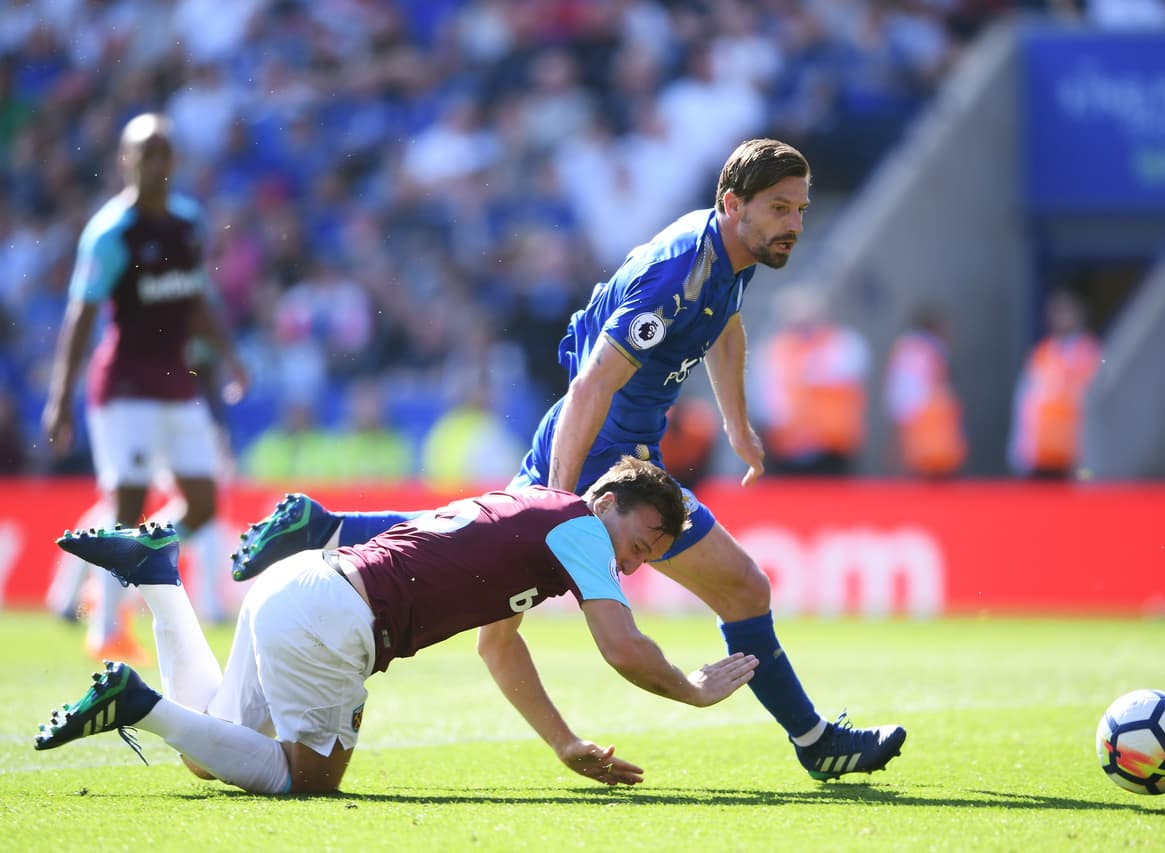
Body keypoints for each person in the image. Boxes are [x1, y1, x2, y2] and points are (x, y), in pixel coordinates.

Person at [231, 139, 906, 779]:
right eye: (781, 209)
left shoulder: (733, 257)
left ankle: (331, 527)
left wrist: (737, 425)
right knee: (745, 588)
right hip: (602, 458)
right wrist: (556, 502)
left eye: (801, 210)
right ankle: (816, 742)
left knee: (477, 579)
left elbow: (727, 328)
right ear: (734, 203)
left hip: (591, 447)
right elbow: (590, 384)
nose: (794, 224)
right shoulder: (678, 274)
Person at [35, 457, 759, 794]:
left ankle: (161, 583)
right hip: (335, 619)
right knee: (307, 778)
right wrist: (691, 690)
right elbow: (623, 645)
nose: (639, 561)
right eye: (650, 537)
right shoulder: (583, 531)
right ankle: (137, 704)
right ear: (610, 501)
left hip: (301, 585)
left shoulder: (534, 510)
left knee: (208, 754)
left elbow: (496, 645)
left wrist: (564, 741)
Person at [42, 112, 248, 650]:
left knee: (202, 504)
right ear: (125, 161)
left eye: (163, 153)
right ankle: (106, 625)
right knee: (128, 500)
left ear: (173, 162)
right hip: (125, 386)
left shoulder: (187, 224)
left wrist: (230, 357)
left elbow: (198, 297)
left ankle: (122, 563)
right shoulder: (111, 233)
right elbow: (81, 317)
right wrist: (60, 398)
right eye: (145, 152)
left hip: (176, 382)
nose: (155, 163)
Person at [756, 284, 870, 476]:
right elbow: (765, 399)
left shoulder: (842, 344)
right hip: (787, 449)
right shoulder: (775, 350)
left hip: (832, 447)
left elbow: (846, 374)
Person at [1007, 289, 1101, 479]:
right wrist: (1020, 447)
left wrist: (1093, 457)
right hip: (1042, 454)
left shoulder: (1090, 353)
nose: (1060, 317)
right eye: (1056, 312)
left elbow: (1097, 405)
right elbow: (1026, 403)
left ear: (1079, 313)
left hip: (1076, 457)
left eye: (1066, 311)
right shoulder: (1042, 353)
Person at [883, 305, 966, 478]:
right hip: (929, 445)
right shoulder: (921, 353)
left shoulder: (918, 352)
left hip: (931, 444)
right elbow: (903, 400)